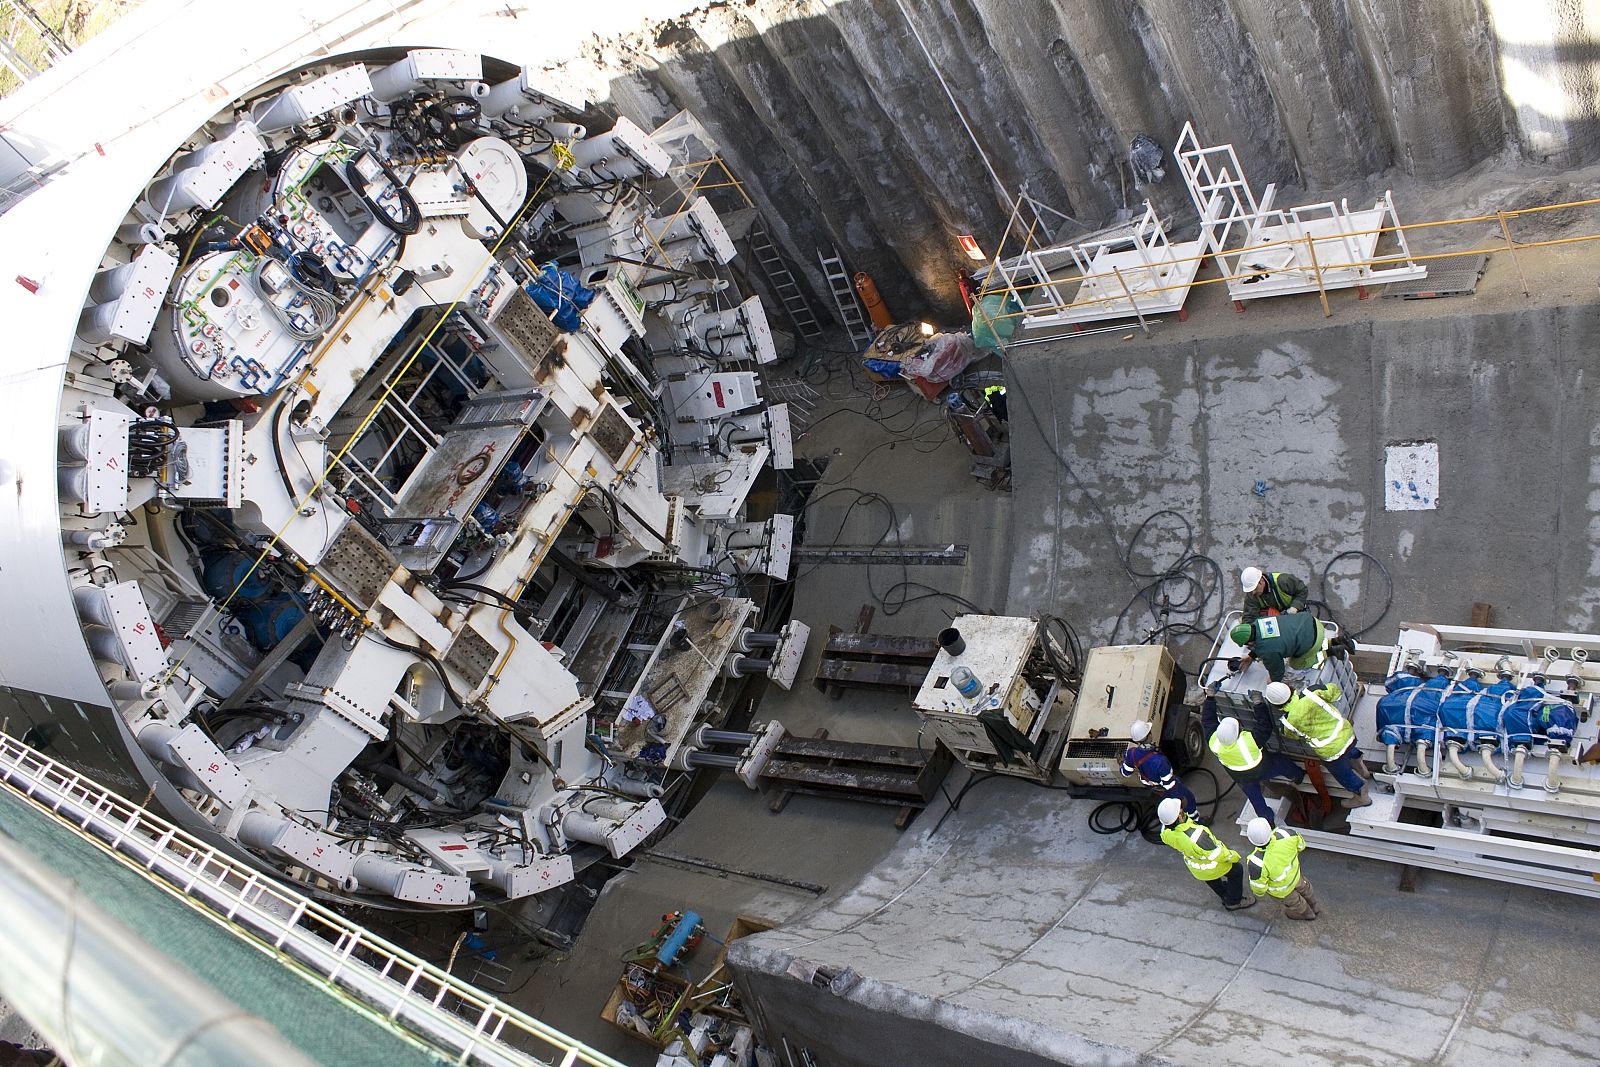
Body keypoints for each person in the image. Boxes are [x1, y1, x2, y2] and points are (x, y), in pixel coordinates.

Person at [1263, 681, 1372, 808]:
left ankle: (1362, 796)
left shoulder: (1287, 723)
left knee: (1343, 774)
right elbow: (1335, 692)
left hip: (1331, 752)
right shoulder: (1312, 692)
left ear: (1275, 705)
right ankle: (1361, 768)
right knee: (1351, 750)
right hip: (1346, 733)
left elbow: (1293, 736)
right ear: (1290, 688)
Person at [1203, 692, 1304, 823]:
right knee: (1281, 763)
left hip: (1241, 777)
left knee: (1256, 800)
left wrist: (1209, 697)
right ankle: (1298, 777)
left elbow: (1207, 720)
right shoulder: (1248, 742)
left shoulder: (1214, 741)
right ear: (1237, 732)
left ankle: (1267, 821)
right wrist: (1258, 703)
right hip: (1262, 769)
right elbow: (1265, 726)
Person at [1158, 798, 1253, 911]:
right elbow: (1217, 854)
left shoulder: (1165, 832)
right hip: (1213, 865)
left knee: (1211, 880)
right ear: (1179, 816)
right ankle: (1234, 902)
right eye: (1181, 810)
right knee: (1237, 870)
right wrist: (1233, 856)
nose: (1183, 809)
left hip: (1197, 868)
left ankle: (1224, 895)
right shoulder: (1197, 836)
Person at [1245, 817, 1320, 920]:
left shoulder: (1256, 862)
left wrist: (1259, 893)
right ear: (1269, 828)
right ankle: (1315, 907)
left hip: (1282, 891)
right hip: (1296, 876)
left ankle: (1307, 914)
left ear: (1251, 839)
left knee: (1295, 903)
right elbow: (1301, 846)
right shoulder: (1286, 834)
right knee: (1306, 890)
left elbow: (1259, 888)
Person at [1229, 611, 1331, 684]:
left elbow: (1277, 669)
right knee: (1299, 641)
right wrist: (1251, 656)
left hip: (1312, 640)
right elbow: (1263, 640)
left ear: (1249, 642)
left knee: (1295, 664)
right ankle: (1333, 642)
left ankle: (1328, 653)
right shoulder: (1259, 622)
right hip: (1313, 622)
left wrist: (1273, 680)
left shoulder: (1267, 650)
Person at [1121, 721, 1197, 817]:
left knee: (1172, 807)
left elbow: (1125, 773)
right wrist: (1181, 798)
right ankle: (1195, 818)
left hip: (1155, 789)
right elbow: (1169, 785)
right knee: (1189, 801)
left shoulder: (1131, 753)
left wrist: (1121, 764)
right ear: (1149, 736)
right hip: (1167, 787)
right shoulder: (1160, 761)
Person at [1239, 567, 1308, 625]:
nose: (1253, 592)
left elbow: (1302, 590)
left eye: (1255, 588)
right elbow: (1249, 617)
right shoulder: (1252, 595)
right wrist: (1250, 631)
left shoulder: (1283, 581)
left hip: (1295, 613)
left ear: (1261, 581)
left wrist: (1295, 607)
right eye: (1251, 590)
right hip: (1274, 622)